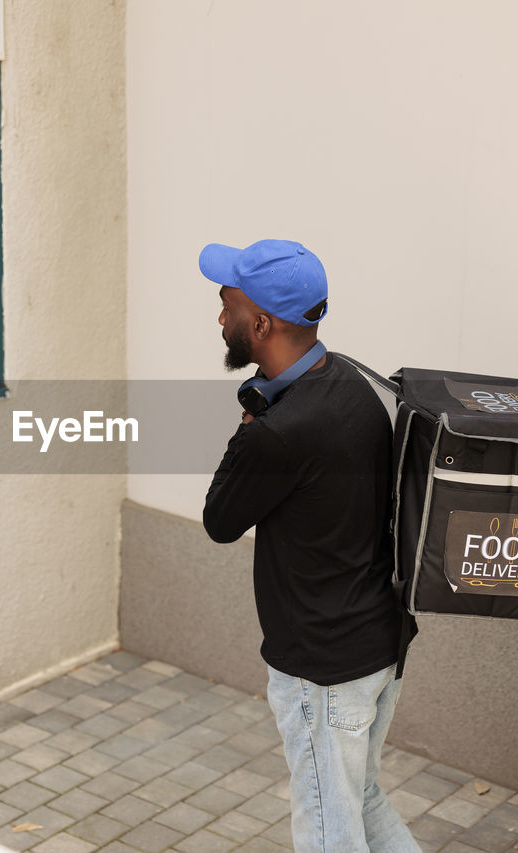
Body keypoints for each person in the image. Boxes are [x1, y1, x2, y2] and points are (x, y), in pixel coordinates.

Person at [199, 238, 420, 853]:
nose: (220, 319)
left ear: (262, 323)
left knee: (328, 828)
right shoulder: (351, 381)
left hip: (323, 671)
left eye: (227, 306)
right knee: (361, 798)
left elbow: (220, 520)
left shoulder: (278, 431)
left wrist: (249, 420)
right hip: (378, 646)